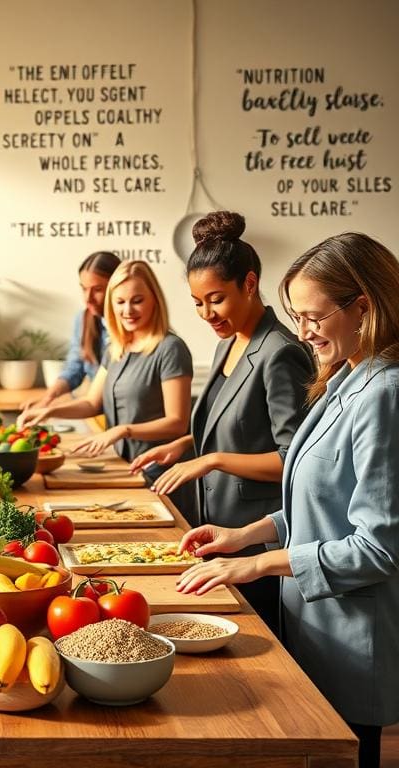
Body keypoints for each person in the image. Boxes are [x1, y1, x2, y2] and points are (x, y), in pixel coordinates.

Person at [177, 233, 399, 768]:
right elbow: (317, 503)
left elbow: (378, 550)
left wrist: (258, 564)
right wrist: (244, 535)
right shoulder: (345, 376)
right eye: (298, 317)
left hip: (351, 635)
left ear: (364, 308)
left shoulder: (385, 394)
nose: (301, 332)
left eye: (313, 317)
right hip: (314, 625)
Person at [128, 212, 313, 633]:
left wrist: (210, 460)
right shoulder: (228, 343)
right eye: (197, 302)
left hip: (258, 539)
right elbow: (235, 427)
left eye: (215, 299)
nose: (206, 313)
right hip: (218, 529)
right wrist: (185, 445)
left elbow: (294, 461)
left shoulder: (279, 352)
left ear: (249, 283)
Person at [18, 260, 194, 515]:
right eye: (120, 302)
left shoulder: (171, 349)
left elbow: (177, 423)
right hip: (126, 467)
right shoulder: (116, 348)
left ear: (155, 300)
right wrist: (50, 410)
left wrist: (122, 430)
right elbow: (92, 403)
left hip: (161, 474)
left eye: (137, 301)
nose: (127, 310)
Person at [21, 251, 121, 410]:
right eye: (84, 289)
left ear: (118, 287)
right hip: (97, 411)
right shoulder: (83, 320)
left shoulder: (130, 326)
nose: (88, 298)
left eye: (97, 289)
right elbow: (75, 368)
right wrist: (48, 398)